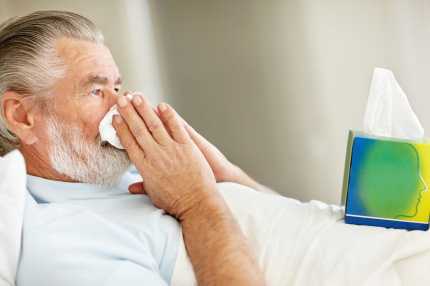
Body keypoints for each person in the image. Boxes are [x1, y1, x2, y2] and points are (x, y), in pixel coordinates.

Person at [0, 10, 265, 286]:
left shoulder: (134, 178)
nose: (121, 106)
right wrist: (197, 201)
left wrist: (229, 177)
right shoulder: (66, 244)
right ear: (22, 117)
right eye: (96, 91)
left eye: (117, 87)